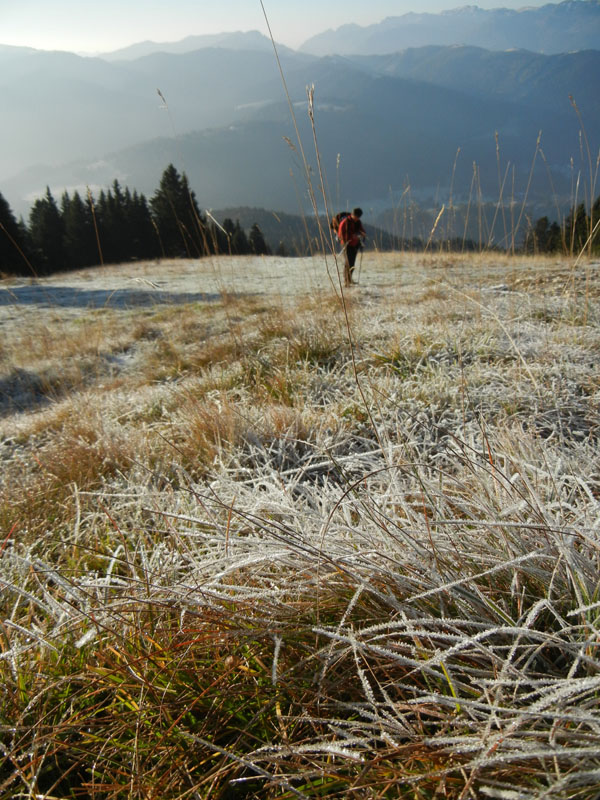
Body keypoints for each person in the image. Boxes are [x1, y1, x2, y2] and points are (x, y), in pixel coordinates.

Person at [338, 207, 366, 287]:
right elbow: (341, 235)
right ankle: (346, 281)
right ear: (353, 215)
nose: (357, 219)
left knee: (352, 263)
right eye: (357, 217)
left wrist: (362, 234)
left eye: (358, 217)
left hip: (355, 245)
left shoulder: (358, 222)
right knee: (348, 263)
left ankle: (349, 280)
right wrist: (352, 237)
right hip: (346, 245)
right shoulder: (345, 222)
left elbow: (362, 230)